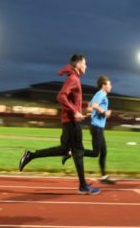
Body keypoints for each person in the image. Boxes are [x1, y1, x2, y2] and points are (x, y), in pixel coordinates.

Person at [18, 54, 100, 195]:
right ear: (78, 64)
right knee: (78, 151)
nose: (86, 66)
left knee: (64, 149)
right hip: (72, 122)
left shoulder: (74, 78)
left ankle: (30, 155)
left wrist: (85, 106)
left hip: (69, 122)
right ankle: (83, 186)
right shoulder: (73, 79)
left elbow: (71, 99)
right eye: (85, 63)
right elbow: (61, 96)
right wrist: (75, 111)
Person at [63, 75, 115, 184]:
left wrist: (92, 112)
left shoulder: (100, 95)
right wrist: (104, 112)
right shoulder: (101, 94)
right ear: (104, 85)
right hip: (96, 128)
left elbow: (89, 107)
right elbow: (95, 106)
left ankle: (104, 176)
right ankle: (72, 152)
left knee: (104, 151)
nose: (111, 86)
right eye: (109, 84)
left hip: (98, 127)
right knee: (96, 153)